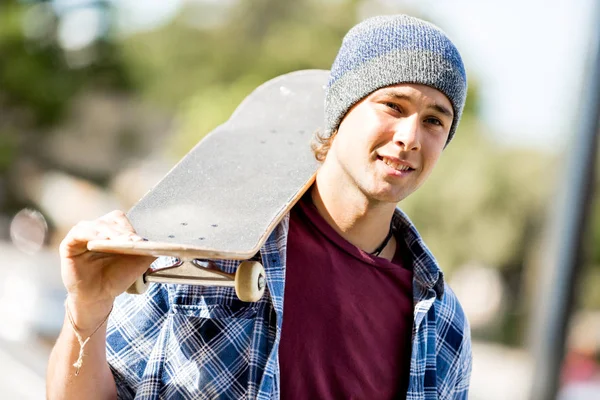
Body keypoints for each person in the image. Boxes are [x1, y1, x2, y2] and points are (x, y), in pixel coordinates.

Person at [47, 14, 471, 400]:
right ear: (341, 111)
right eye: (393, 106)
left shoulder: (442, 323)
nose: (410, 136)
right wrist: (87, 310)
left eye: (435, 120)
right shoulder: (206, 245)